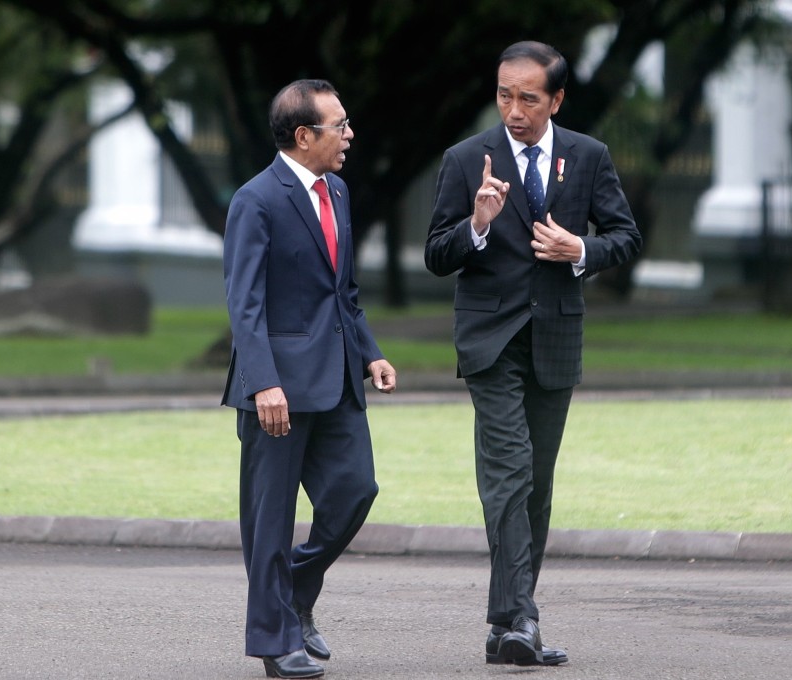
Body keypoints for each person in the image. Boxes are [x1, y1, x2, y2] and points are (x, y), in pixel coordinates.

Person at [424, 41, 642, 667]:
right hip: (490, 342)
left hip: (555, 339)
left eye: (528, 97)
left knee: (536, 485)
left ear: (556, 99)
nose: (513, 109)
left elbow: (625, 237)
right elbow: (437, 253)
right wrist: (478, 225)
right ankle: (518, 616)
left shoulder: (588, 156)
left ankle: (507, 629)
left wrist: (581, 250)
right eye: (503, 95)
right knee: (509, 472)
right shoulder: (468, 159)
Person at [222, 79, 397, 679]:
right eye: (338, 126)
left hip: (339, 377)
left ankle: (292, 589)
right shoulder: (256, 199)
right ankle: (274, 640)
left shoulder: (339, 191)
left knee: (356, 490)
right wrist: (263, 381)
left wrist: (371, 353)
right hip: (276, 388)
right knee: (269, 518)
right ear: (304, 136)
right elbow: (244, 305)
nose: (349, 135)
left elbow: (343, 290)